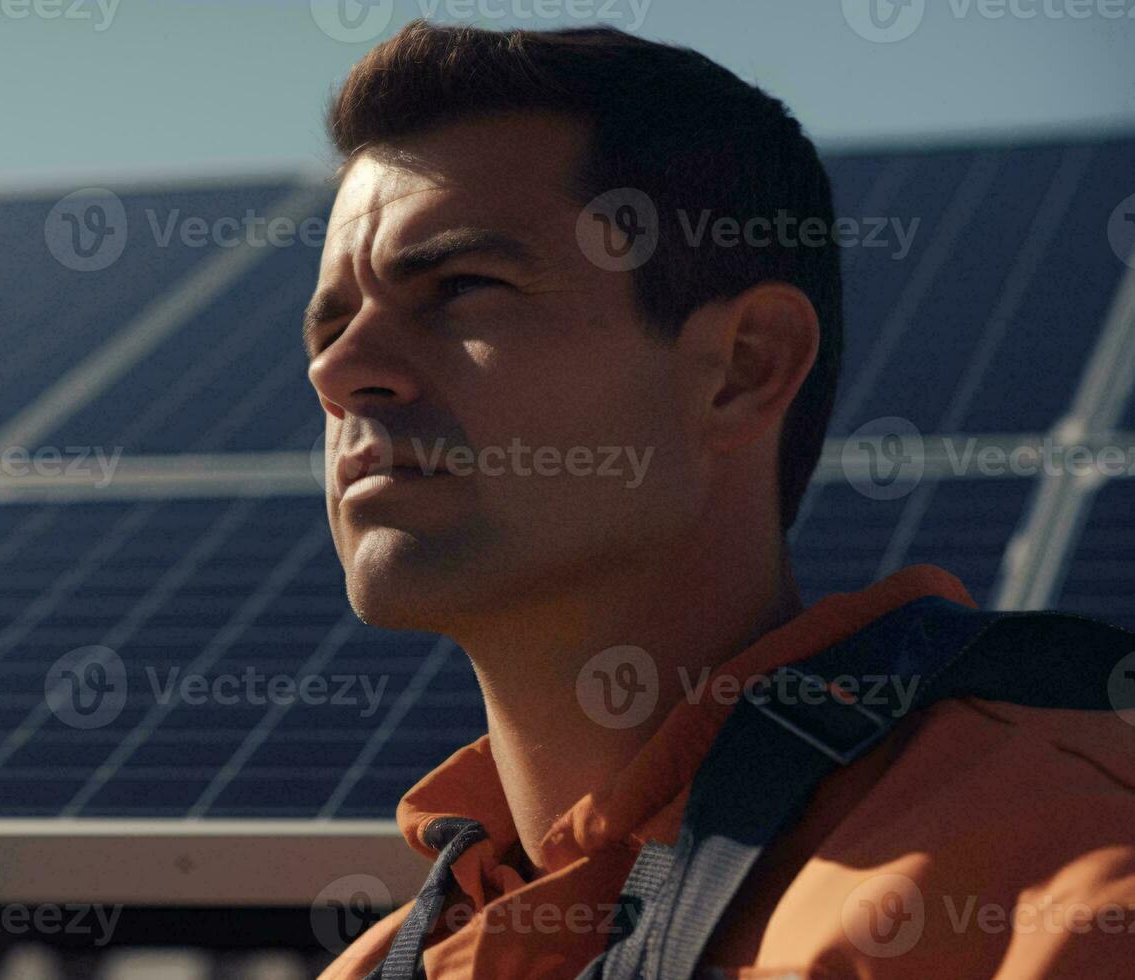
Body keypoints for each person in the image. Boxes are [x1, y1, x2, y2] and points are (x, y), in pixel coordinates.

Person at [305, 20, 1135, 978]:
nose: (341, 369)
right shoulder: (376, 966)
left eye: (462, 288)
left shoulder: (1050, 887)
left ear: (743, 369)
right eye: (329, 325)